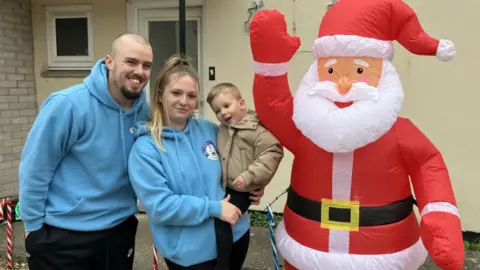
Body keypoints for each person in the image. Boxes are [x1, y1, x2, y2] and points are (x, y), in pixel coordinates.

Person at [19, 32, 153, 270]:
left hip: (120, 232)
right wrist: (33, 228)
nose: (139, 72)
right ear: (109, 62)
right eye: (131, 62)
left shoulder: (146, 112)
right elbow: (35, 169)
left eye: (146, 65)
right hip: (64, 235)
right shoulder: (68, 104)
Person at [127, 55, 265, 270]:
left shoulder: (211, 130)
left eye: (191, 95)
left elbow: (240, 160)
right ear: (160, 95)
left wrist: (254, 183)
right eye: (176, 93)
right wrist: (214, 209)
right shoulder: (146, 149)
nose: (184, 101)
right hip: (190, 255)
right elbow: (160, 207)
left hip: (235, 235)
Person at [206, 82, 284, 269]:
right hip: (230, 185)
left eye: (227, 106)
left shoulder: (255, 129)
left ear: (241, 103)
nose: (223, 113)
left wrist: (250, 176)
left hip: (245, 188)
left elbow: (272, 151)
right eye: (217, 110)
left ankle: (222, 265)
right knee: (221, 219)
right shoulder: (224, 129)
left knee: (222, 220)